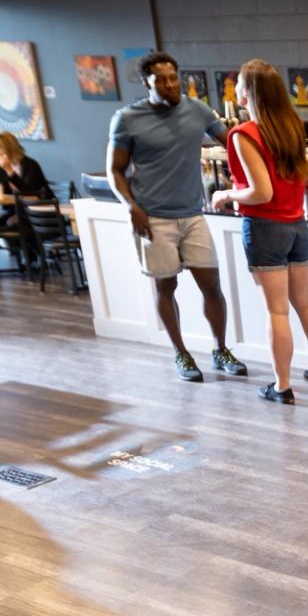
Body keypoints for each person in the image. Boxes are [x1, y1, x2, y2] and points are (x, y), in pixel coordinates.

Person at [107, 51, 246, 382]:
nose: (170, 85)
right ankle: (181, 354)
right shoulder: (127, 118)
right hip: (153, 217)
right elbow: (115, 170)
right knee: (165, 287)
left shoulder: (197, 110)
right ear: (147, 83)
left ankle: (220, 348)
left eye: (174, 78)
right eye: (162, 80)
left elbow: (234, 144)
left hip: (192, 213)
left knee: (212, 286)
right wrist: (131, 206)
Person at [209, 59, 308, 403]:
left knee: (277, 310)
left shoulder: (244, 134)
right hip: (297, 224)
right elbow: (302, 175)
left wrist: (225, 194)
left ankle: (282, 386)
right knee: (306, 302)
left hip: (266, 227)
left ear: (247, 92)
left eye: (238, 83)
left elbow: (260, 192)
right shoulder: (293, 126)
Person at [0, 131, 53, 228]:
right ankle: (13, 243)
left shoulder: (30, 164)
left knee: (11, 224)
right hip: (16, 208)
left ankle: (25, 243)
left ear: (10, 147)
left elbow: (29, 192)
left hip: (37, 207)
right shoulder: (3, 164)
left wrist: (9, 171)